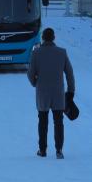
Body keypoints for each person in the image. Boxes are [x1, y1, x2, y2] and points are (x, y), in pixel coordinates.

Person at [26, 28, 75, 159]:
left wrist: (35, 83)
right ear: (54, 38)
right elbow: (70, 74)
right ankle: (59, 150)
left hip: (42, 93)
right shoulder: (62, 53)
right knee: (58, 122)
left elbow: (30, 74)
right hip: (58, 94)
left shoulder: (36, 53)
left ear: (43, 38)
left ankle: (42, 150)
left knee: (42, 121)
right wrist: (71, 91)